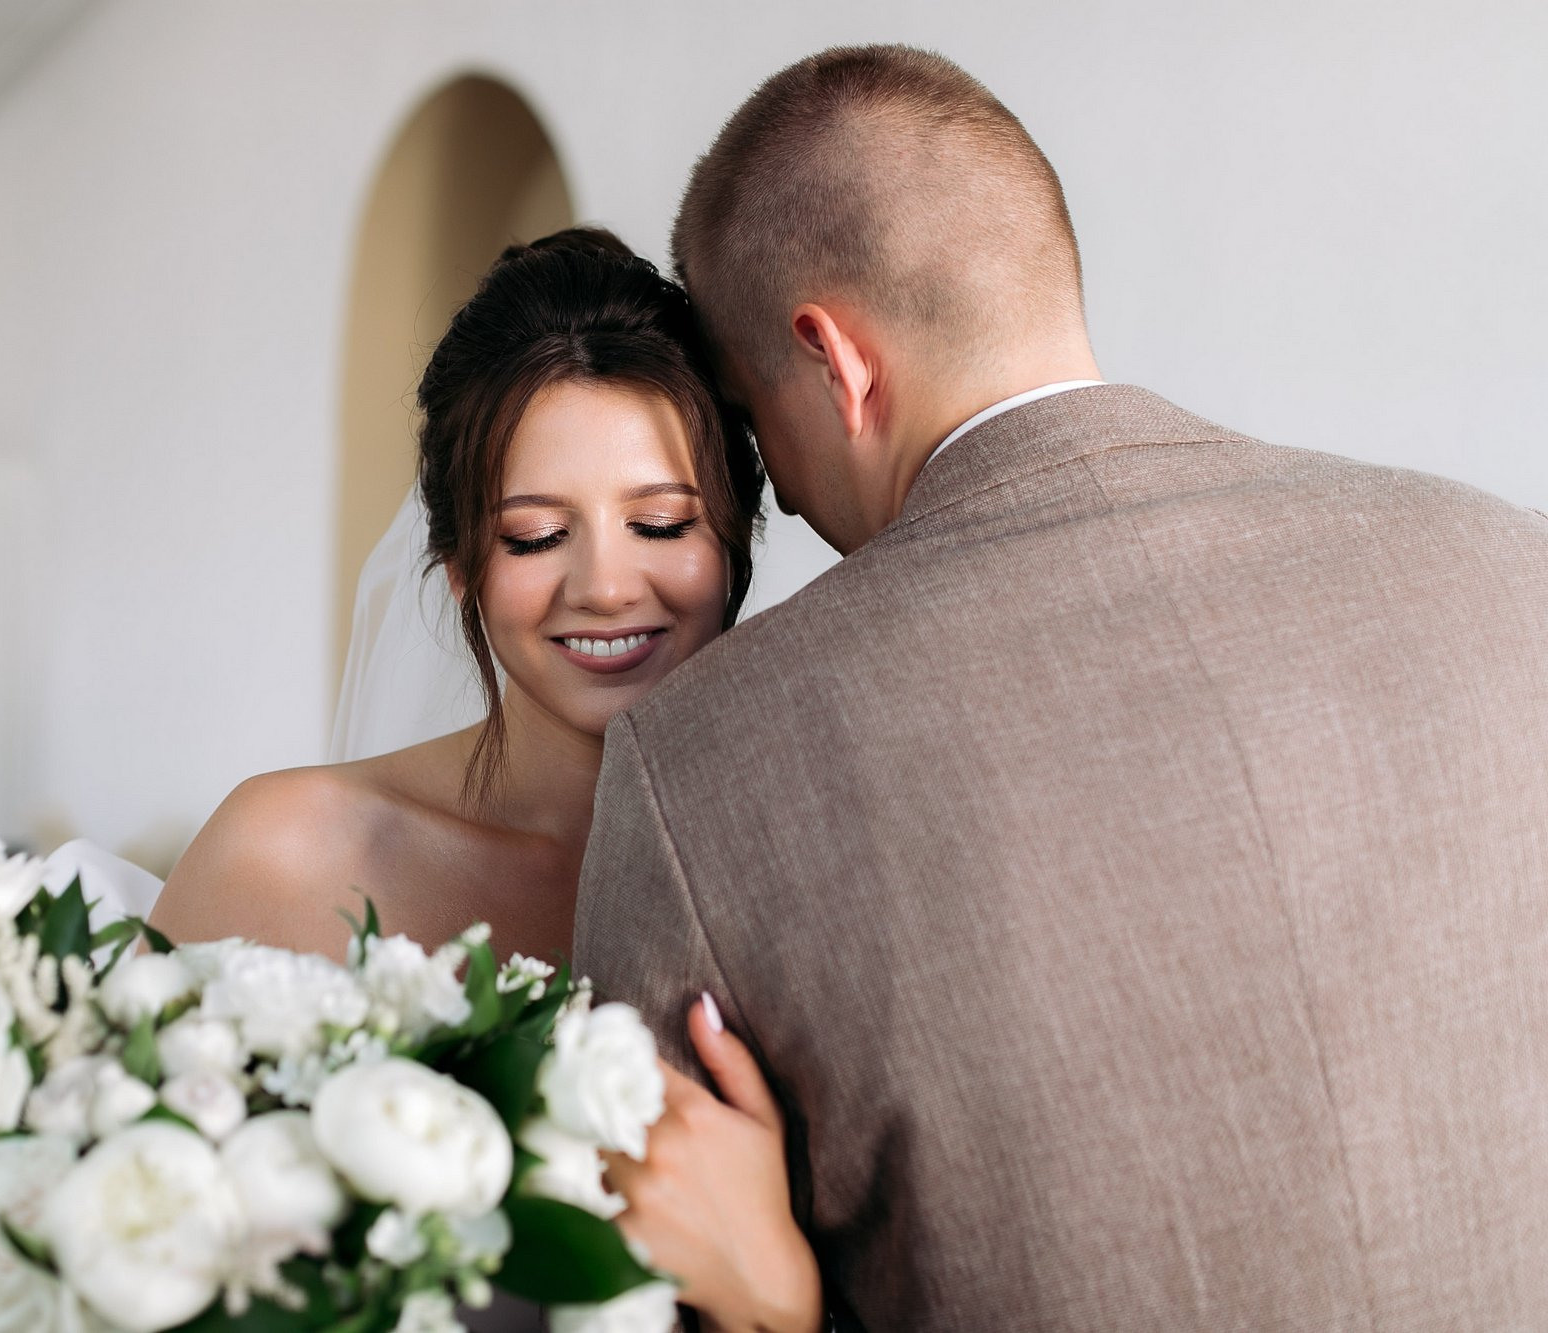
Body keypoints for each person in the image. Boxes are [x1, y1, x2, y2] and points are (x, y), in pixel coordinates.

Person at [576, 43, 1548, 1331]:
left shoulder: (697, 759)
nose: (789, 494)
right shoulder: (1506, 564)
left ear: (833, 361)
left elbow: (640, 1289)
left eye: (757, 420)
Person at [151, 227, 824, 1333]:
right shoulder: (285, 855)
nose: (606, 586)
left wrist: (779, 1305)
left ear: (733, 540)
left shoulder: (814, 872)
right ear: (460, 564)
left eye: (659, 523)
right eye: (533, 536)